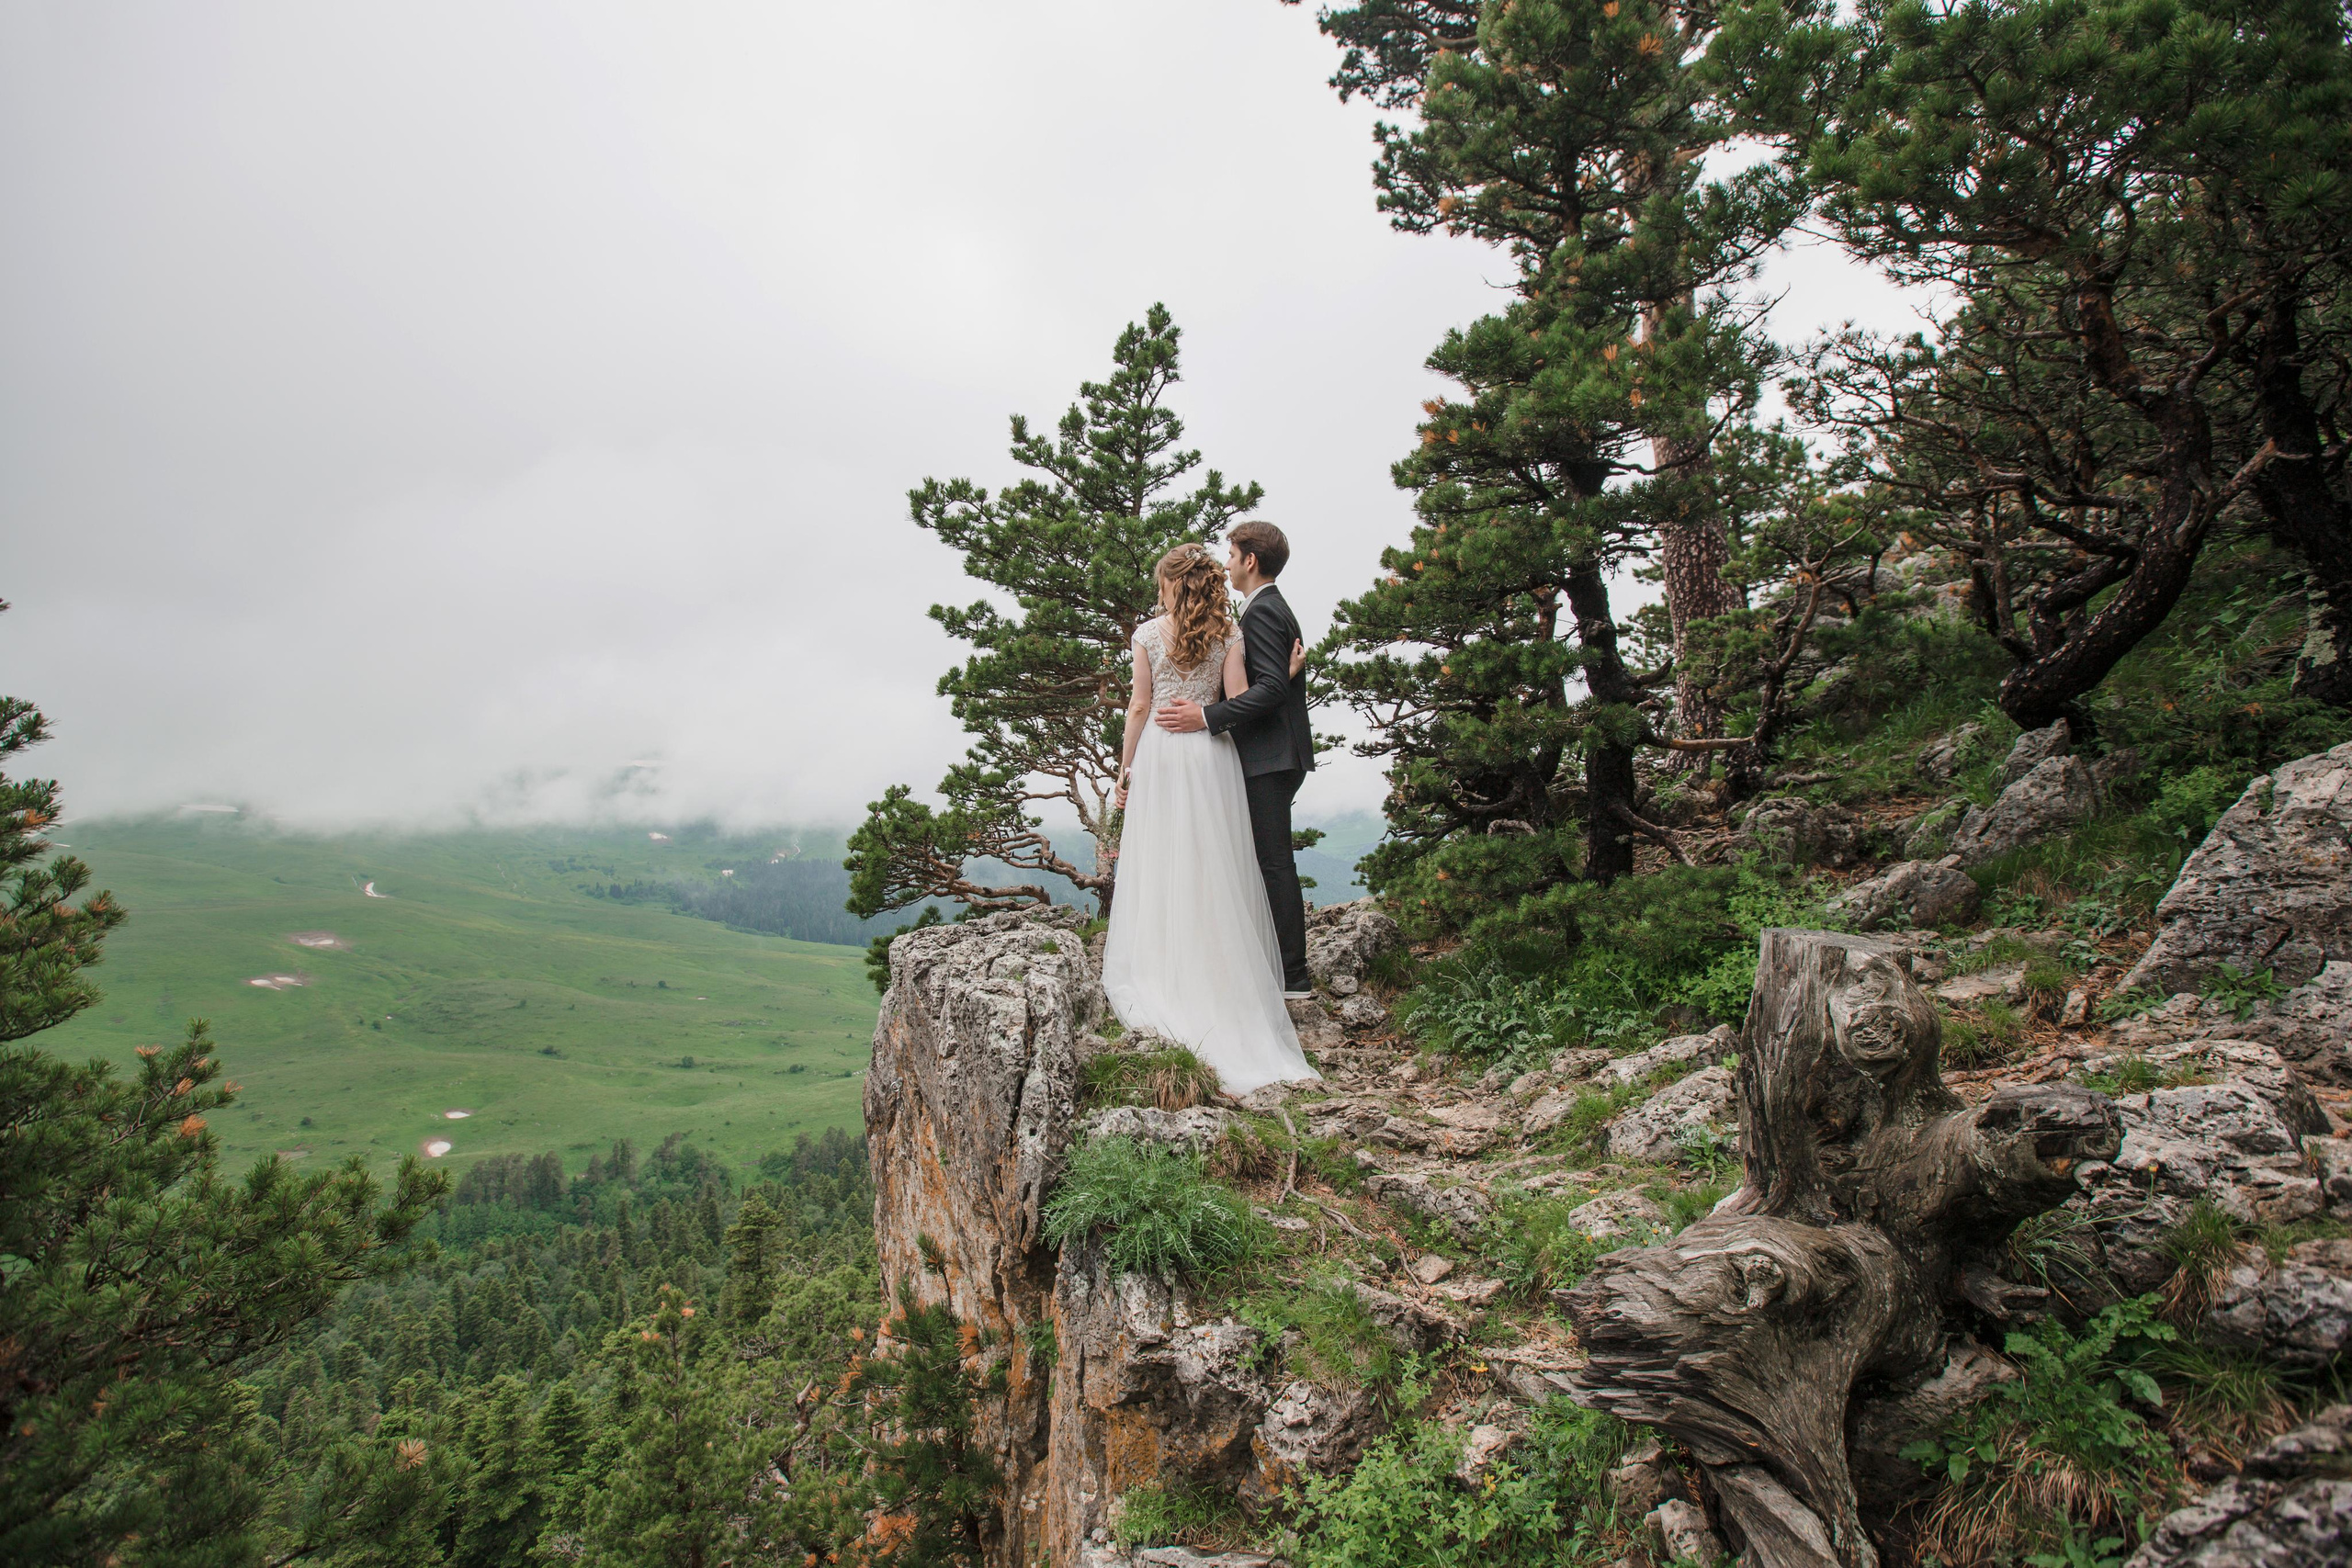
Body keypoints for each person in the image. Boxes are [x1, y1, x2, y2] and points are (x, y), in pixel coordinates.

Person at [1101, 542, 1317, 1095]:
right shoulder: (1230, 636)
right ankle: (1223, 971)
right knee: (1214, 861)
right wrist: (1287, 678)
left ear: (1170, 584)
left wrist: (1125, 769)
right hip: (1213, 753)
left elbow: (1140, 707)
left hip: (1164, 754)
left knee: (1163, 860)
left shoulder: (1147, 635)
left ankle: (1167, 965)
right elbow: (1241, 700)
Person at [1151, 520, 1317, 998]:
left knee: (1273, 863)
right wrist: (1281, 677)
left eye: (1231, 553)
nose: (1225, 563)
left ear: (1250, 560)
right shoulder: (1266, 608)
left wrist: (1205, 715)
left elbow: (1265, 690)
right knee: (1266, 860)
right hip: (1276, 753)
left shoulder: (1262, 612)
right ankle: (1276, 966)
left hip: (1269, 756)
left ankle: (1293, 977)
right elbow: (1271, 682)